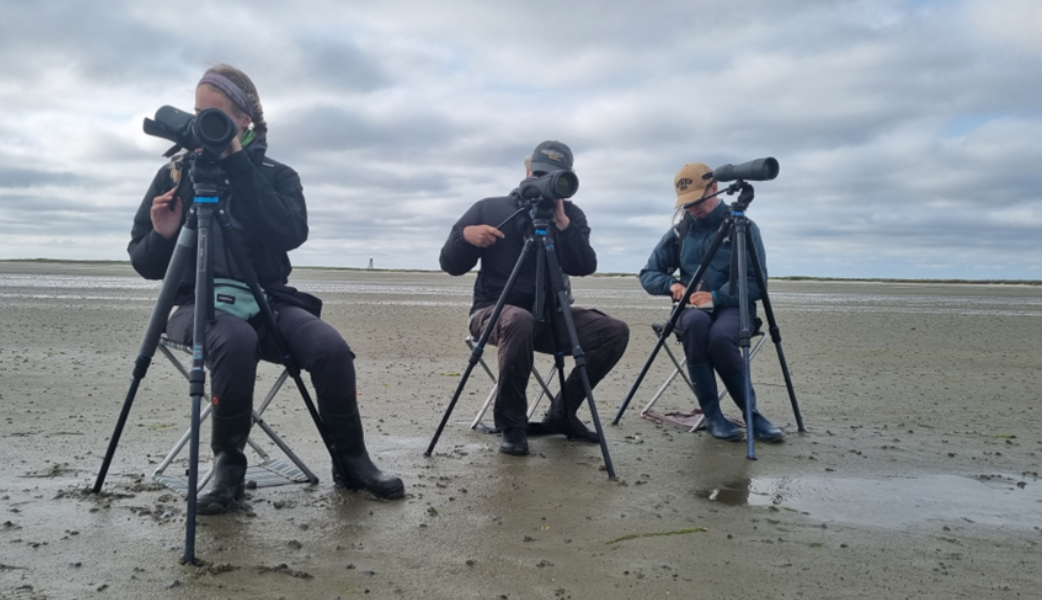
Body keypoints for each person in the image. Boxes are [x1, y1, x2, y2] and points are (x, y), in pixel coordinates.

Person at [128, 64, 404, 512]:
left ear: (244, 120)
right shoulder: (175, 176)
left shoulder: (278, 174)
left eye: (215, 115)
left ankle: (352, 460)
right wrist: (163, 235)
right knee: (233, 340)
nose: (203, 123)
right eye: (198, 112)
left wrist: (237, 163)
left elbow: (290, 232)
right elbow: (144, 264)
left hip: (268, 299)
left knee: (329, 346)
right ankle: (228, 469)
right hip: (195, 303)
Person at [439, 141, 630, 456]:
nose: (545, 182)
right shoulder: (489, 208)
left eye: (554, 177)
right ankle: (512, 426)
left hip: (550, 317)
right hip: (492, 313)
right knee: (519, 319)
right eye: (540, 173)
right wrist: (465, 237)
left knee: (615, 331)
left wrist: (565, 226)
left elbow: (584, 266)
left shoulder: (571, 215)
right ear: (528, 171)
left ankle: (562, 413)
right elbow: (450, 265)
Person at [639, 162, 785, 443]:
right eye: (686, 203)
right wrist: (672, 285)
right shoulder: (680, 232)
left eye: (697, 200)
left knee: (719, 337)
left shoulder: (744, 227)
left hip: (734, 309)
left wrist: (717, 296)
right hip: (692, 311)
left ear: (714, 188)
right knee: (694, 323)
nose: (691, 207)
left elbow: (757, 282)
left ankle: (751, 414)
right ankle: (713, 415)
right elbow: (648, 274)